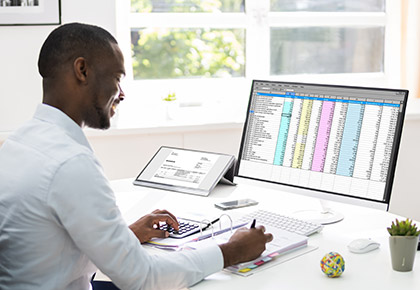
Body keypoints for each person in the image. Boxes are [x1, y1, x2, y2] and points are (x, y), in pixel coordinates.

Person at [0, 23, 272, 290]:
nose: (121, 93)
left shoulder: (18, 145)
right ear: (82, 70)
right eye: (116, 78)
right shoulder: (70, 164)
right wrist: (231, 251)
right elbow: (143, 279)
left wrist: (123, 237)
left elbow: (48, 250)